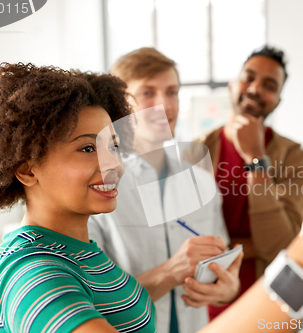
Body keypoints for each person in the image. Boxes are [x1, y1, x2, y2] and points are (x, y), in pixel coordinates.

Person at [0, 63, 303, 333]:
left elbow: (115, 303)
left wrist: (181, 274)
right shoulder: (34, 275)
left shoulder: (80, 249)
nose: (112, 164)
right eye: (87, 148)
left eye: (114, 145)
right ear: (26, 169)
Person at [88, 48, 241, 333]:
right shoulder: (97, 186)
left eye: (172, 92)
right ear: (119, 104)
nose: (164, 106)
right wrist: (169, 273)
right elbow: (91, 301)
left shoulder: (203, 184)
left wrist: (228, 288)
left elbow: (222, 270)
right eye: (148, 93)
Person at [199, 46, 303, 319]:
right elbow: (190, 237)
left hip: (272, 302)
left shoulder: (293, 155)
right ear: (232, 85)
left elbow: (279, 244)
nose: (255, 88)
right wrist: (249, 246)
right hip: (209, 301)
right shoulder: (198, 149)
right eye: (248, 77)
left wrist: (256, 158)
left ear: (277, 101)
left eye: (269, 85)